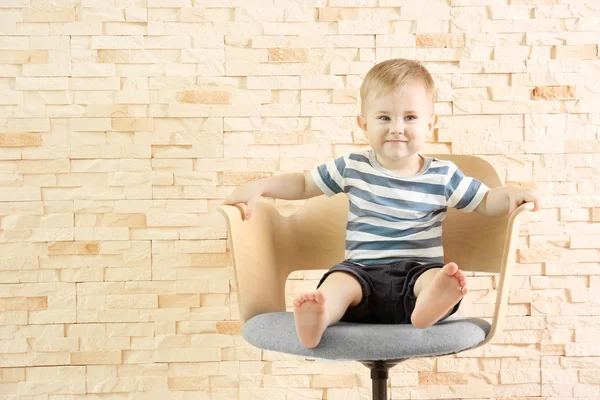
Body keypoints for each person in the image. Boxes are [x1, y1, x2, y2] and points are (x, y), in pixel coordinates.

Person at [223, 58, 541, 348]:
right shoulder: (352, 166)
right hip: (361, 275)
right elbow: (305, 183)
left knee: (436, 278)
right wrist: (261, 186)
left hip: (417, 276)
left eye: (410, 117)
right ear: (364, 124)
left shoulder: (443, 175)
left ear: (430, 124)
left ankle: (428, 308)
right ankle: (320, 315)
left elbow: (485, 200)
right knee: (338, 282)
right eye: (384, 117)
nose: (397, 128)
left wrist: (510, 193)